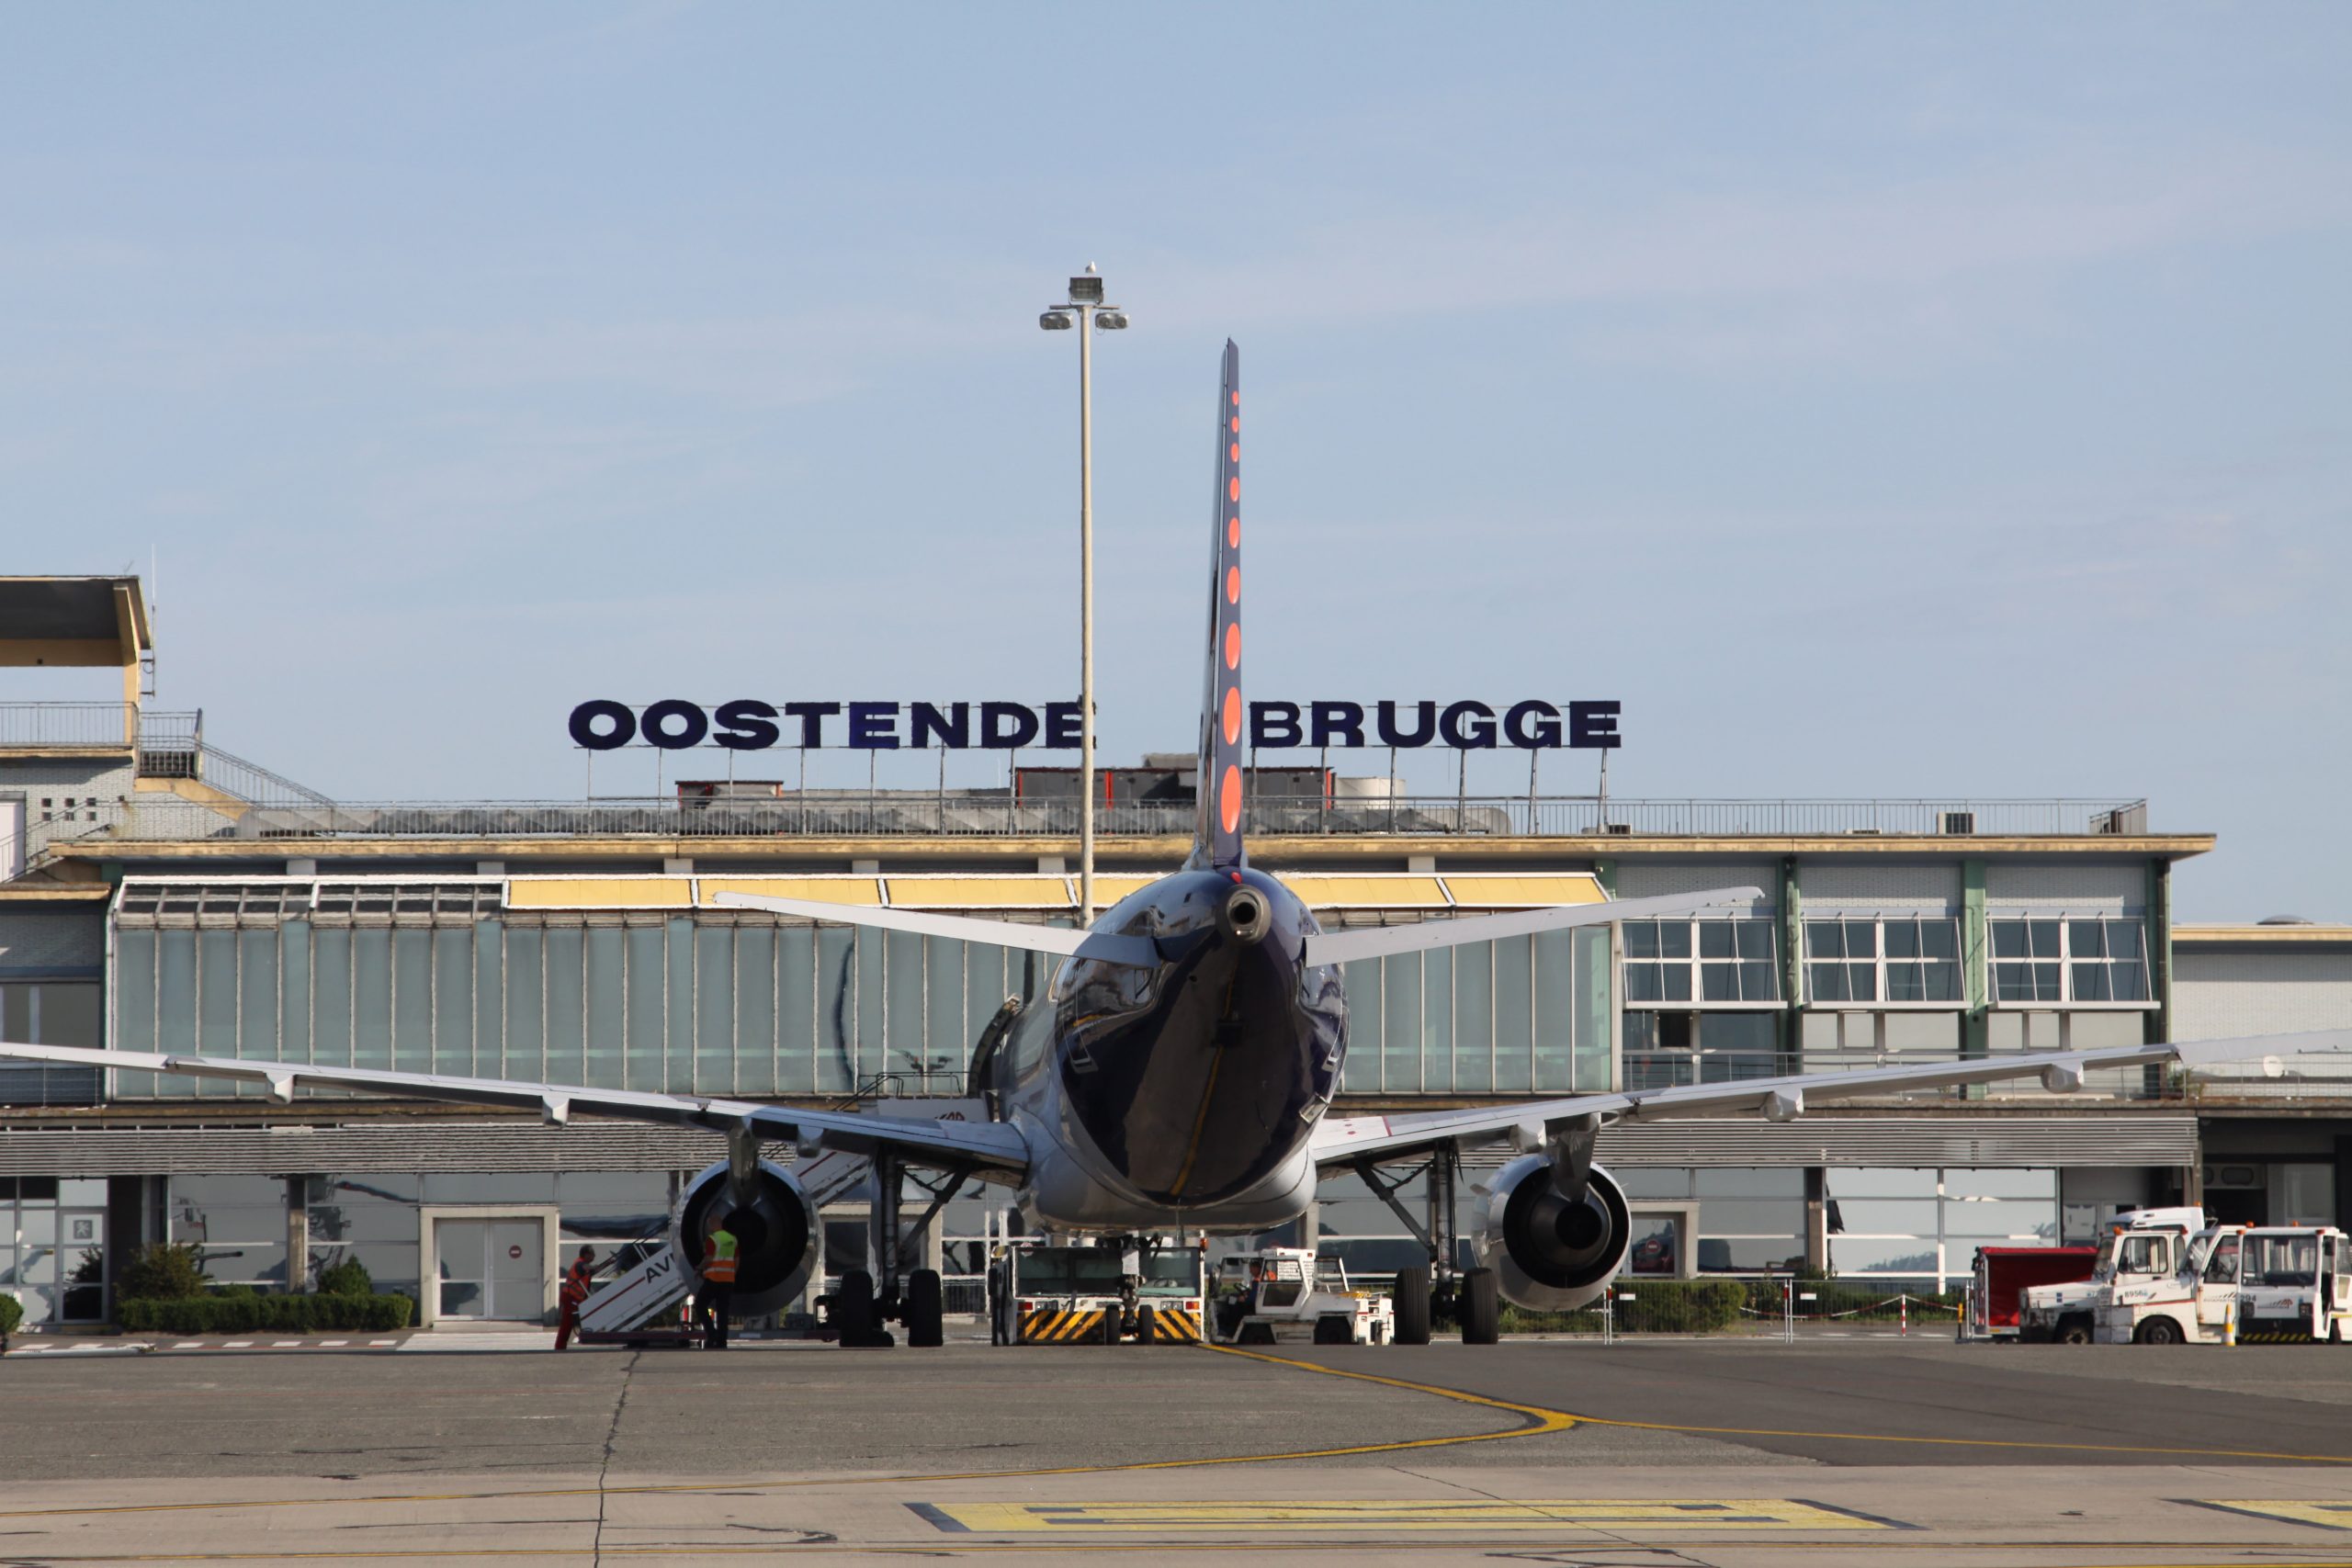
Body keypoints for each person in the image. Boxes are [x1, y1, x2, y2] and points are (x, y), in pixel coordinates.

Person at [700, 1219, 739, 1349]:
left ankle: (711, 1335)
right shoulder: (733, 1239)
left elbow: (709, 1258)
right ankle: (722, 1342)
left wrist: (699, 1268)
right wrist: (733, 1273)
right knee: (723, 1311)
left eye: (711, 1225)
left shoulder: (712, 1239)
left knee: (700, 1304)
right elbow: (737, 1259)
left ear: (714, 1225)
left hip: (713, 1278)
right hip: (728, 1280)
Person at [555, 1246, 596, 1350]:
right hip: (570, 1297)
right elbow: (585, 1268)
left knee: (570, 1322)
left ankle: (561, 1346)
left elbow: (591, 1271)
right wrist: (593, 1267)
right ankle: (559, 1347)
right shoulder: (579, 1264)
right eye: (592, 1255)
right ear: (586, 1255)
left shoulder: (582, 1264)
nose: (594, 1257)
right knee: (567, 1324)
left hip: (573, 1297)